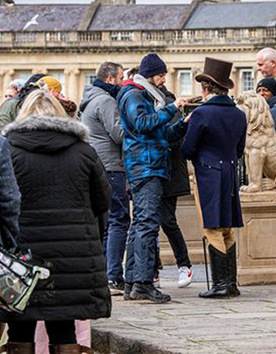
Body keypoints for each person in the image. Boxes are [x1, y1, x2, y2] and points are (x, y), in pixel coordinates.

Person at [0, 90, 111, 353]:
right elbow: (103, 200)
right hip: (72, 254)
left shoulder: (10, 150)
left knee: (20, 322)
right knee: (64, 325)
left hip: (22, 256)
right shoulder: (84, 151)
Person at [118, 53, 189, 303]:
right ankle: (143, 283)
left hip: (149, 166)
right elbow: (142, 124)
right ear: (150, 75)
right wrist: (173, 108)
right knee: (147, 224)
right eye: (160, 75)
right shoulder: (134, 95)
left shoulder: (144, 95)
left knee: (140, 224)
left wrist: (182, 124)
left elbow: (159, 134)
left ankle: (132, 283)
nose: (163, 80)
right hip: (146, 168)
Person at [181, 57, 247, 299]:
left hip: (208, 174)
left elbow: (187, 149)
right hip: (230, 172)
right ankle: (230, 283)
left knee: (211, 228)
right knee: (227, 227)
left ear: (207, 89)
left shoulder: (201, 113)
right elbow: (240, 150)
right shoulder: (239, 114)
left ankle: (220, 285)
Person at [80, 61, 129, 295]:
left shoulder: (90, 98)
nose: (122, 83)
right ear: (110, 79)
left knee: (104, 222)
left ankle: (103, 275)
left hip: (96, 165)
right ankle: (112, 277)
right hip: (111, 166)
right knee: (118, 220)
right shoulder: (106, 101)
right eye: (120, 79)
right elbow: (118, 134)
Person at [155, 84, 194, 289]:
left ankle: (184, 264)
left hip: (169, 173)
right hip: (152, 171)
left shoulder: (169, 106)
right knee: (149, 223)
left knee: (167, 221)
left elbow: (174, 138)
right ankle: (153, 269)